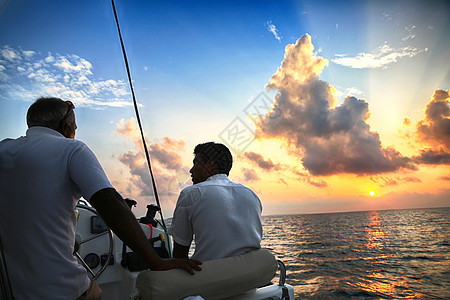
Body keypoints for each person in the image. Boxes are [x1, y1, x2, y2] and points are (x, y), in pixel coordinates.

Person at [0, 97, 201, 300]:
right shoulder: (72, 149)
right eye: (75, 127)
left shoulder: (4, 148)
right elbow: (109, 201)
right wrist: (155, 262)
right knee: (95, 292)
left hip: (10, 288)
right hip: (60, 288)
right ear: (66, 125)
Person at [169, 142, 263, 261]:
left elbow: (179, 256)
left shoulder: (190, 194)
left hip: (210, 276)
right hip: (252, 274)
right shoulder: (251, 195)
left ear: (209, 164)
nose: (191, 170)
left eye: (195, 163)